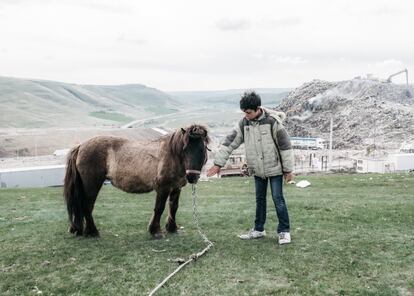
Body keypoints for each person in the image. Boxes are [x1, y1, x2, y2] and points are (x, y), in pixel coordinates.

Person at [207, 91, 294, 245]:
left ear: (257, 108)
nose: (246, 115)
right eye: (244, 112)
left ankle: (284, 232)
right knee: (259, 200)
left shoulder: (273, 122)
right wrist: (218, 164)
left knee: (278, 199)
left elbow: (285, 146)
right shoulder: (244, 124)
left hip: (275, 169)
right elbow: (229, 142)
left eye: (248, 112)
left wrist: (288, 170)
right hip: (257, 170)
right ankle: (258, 230)